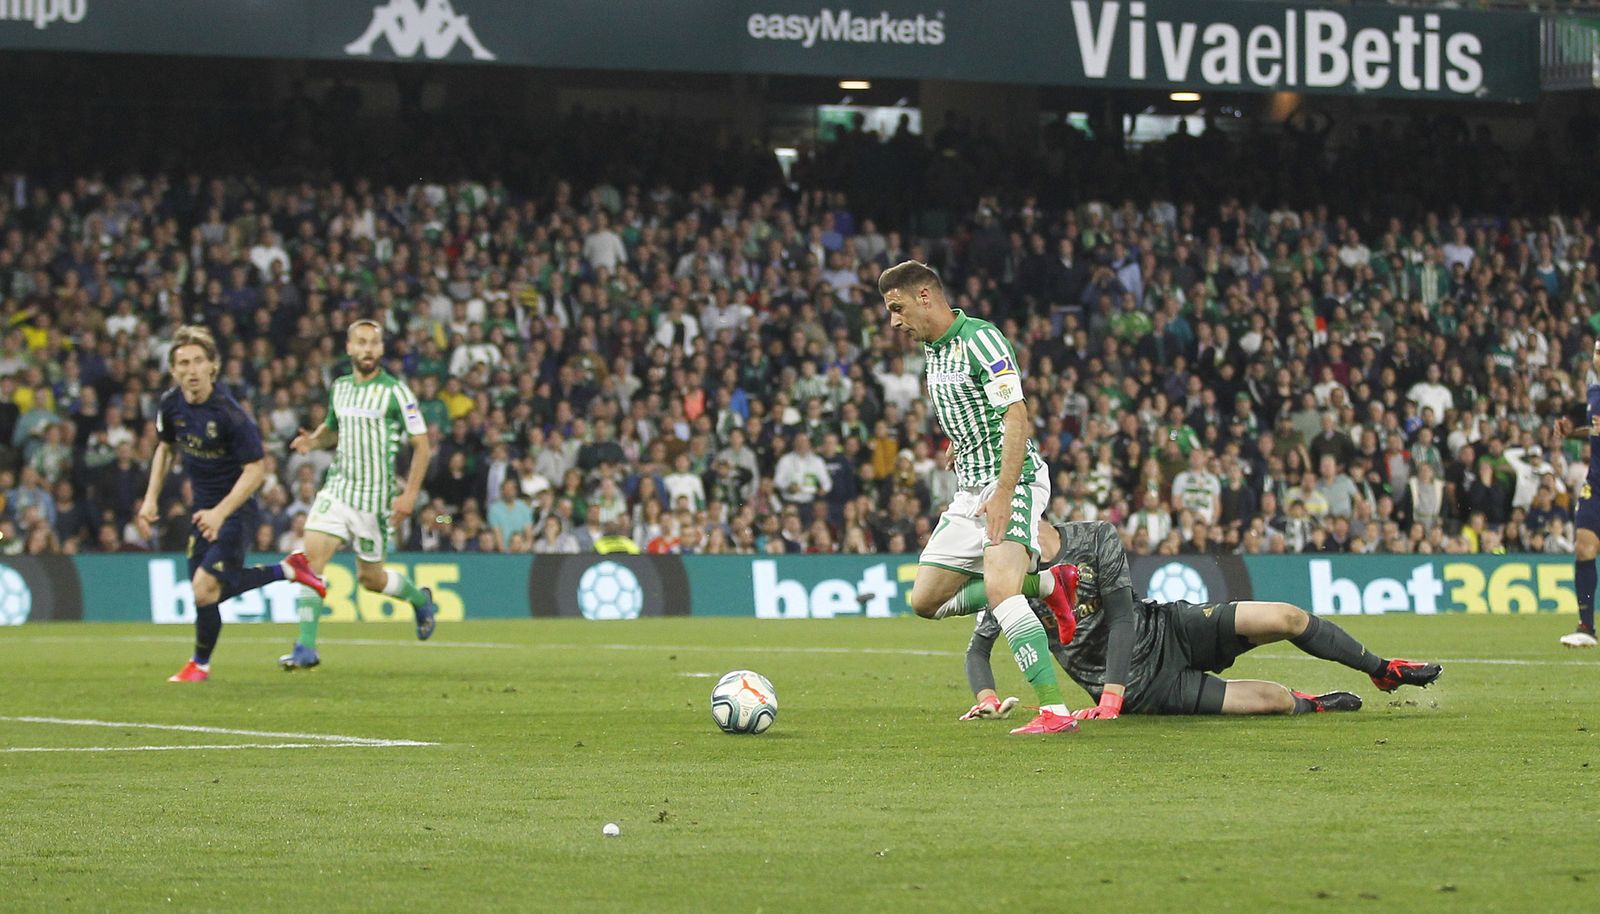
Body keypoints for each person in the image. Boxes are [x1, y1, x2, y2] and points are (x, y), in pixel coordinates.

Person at [879, 261, 1078, 735]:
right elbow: (971, 404)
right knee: (925, 601)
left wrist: (1006, 493)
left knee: (999, 590)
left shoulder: (981, 340)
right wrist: (961, 440)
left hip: (1014, 482)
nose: (893, 322)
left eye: (897, 308)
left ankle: (1055, 712)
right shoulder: (933, 349)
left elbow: (1015, 412)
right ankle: (1051, 586)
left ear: (925, 296)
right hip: (968, 490)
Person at [964, 521, 1442, 717]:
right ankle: (1312, 704)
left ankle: (1384, 671)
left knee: (1287, 616)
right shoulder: (1004, 579)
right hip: (1145, 690)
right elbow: (978, 650)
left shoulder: (1094, 536)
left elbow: (1124, 615)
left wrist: (1108, 697)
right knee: (1273, 700)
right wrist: (985, 697)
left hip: (1166, 629)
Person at [136, 325, 327, 682]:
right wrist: (150, 499)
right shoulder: (170, 404)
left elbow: (256, 470)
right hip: (203, 512)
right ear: (173, 370)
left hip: (235, 510)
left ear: (213, 366)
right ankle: (289, 569)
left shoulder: (229, 414)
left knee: (203, 587)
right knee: (207, 594)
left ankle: (200, 665)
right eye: (183, 363)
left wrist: (222, 512)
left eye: (198, 362)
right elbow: (165, 448)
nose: (191, 370)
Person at [278, 320, 438, 670]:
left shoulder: (396, 392)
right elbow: (332, 431)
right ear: (349, 348)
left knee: (371, 579)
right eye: (361, 343)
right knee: (309, 560)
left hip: (375, 501)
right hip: (338, 489)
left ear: (381, 350)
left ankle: (419, 600)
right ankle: (305, 647)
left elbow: (422, 446)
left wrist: (409, 495)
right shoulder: (340, 388)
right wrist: (312, 441)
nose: (368, 349)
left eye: (374, 343)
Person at [1553, 338, 1600, 648]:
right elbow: (1595, 427)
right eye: (1597, 352)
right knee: (1584, 548)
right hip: (1595, 483)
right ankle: (1586, 627)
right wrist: (1575, 432)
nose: (1598, 357)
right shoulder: (1594, 392)